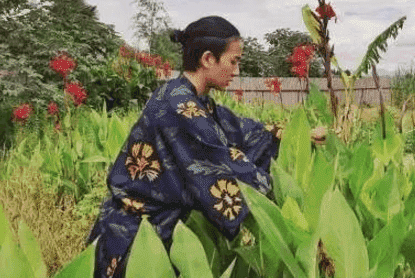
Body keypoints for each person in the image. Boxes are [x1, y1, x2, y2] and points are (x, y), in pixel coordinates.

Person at [85, 16, 285, 277]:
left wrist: (288, 136)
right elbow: (219, 157)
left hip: (152, 233)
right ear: (208, 59)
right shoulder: (181, 107)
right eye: (233, 61)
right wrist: (271, 197)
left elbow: (241, 131)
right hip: (136, 241)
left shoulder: (191, 99)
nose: (236, 71)